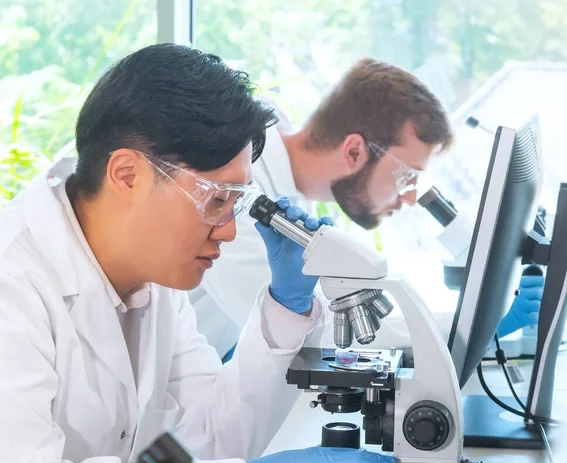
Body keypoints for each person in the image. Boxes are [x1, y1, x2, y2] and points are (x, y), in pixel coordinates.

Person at [0, 44, 397, 463]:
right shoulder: (15, 282)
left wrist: (285, 304)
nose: (230, 230)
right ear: (127, 175)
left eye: (235, 203)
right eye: (215, 200)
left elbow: (214, 441)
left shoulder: (154, 280)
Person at [189, 59, 544, 360]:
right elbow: (314, 331)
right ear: (354, 151)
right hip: (171, 418)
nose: (408, 198)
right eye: (406, 176)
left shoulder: (291, 187)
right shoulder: (243, 194)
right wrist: (471, 322)